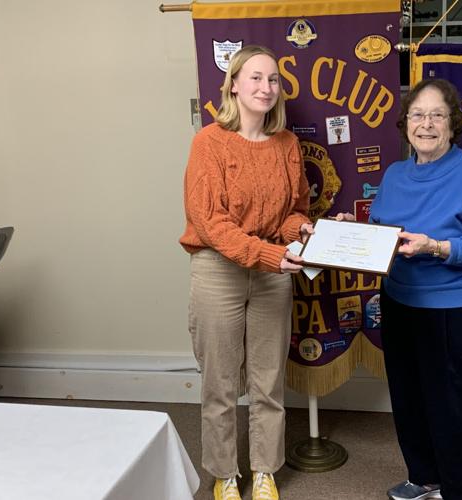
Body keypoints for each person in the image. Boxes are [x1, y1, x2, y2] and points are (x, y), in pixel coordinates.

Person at [341, 78, 462, 500]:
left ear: (453, 124)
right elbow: (384, 235)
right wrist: (349, 234)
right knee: (412, 398)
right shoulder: (395, 174)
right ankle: (426, 478)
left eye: (438, 115)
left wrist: (438, 247)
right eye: (418, 114)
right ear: (406, 123)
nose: (427, 124)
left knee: (461, 407)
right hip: (402, 302)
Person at [179, 45, 312, 500]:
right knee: (219, 381)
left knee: (268, 380)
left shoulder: (287, 144)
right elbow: (211, 223)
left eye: (273, 80)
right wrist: (272, 255)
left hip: (272, 269)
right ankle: (224, 474)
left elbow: (292, 212)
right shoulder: (208, 143)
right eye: (255, 78)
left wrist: (304, 228)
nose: (265, 87)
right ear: (233, 84)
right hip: (220, 267)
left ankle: (264, 470)